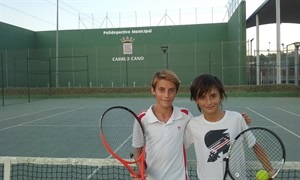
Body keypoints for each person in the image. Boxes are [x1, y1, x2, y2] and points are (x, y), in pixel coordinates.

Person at [132, 70, 251, 180]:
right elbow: (138, 149)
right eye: (161, 90)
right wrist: (140, 170)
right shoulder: (142, 119)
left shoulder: (185, 116)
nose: (166, 95)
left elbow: (206, 124)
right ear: (153, 90)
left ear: (176, 92)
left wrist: (234, 119)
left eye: (171, 90)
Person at [184, 74, 263, 180]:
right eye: (202, 97)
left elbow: (255, 145)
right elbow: (176, 148)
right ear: (196, 100)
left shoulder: (236, 118)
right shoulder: (193, 125)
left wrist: (270, 170)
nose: (209, 102)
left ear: (220, 95)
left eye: (213, 96)